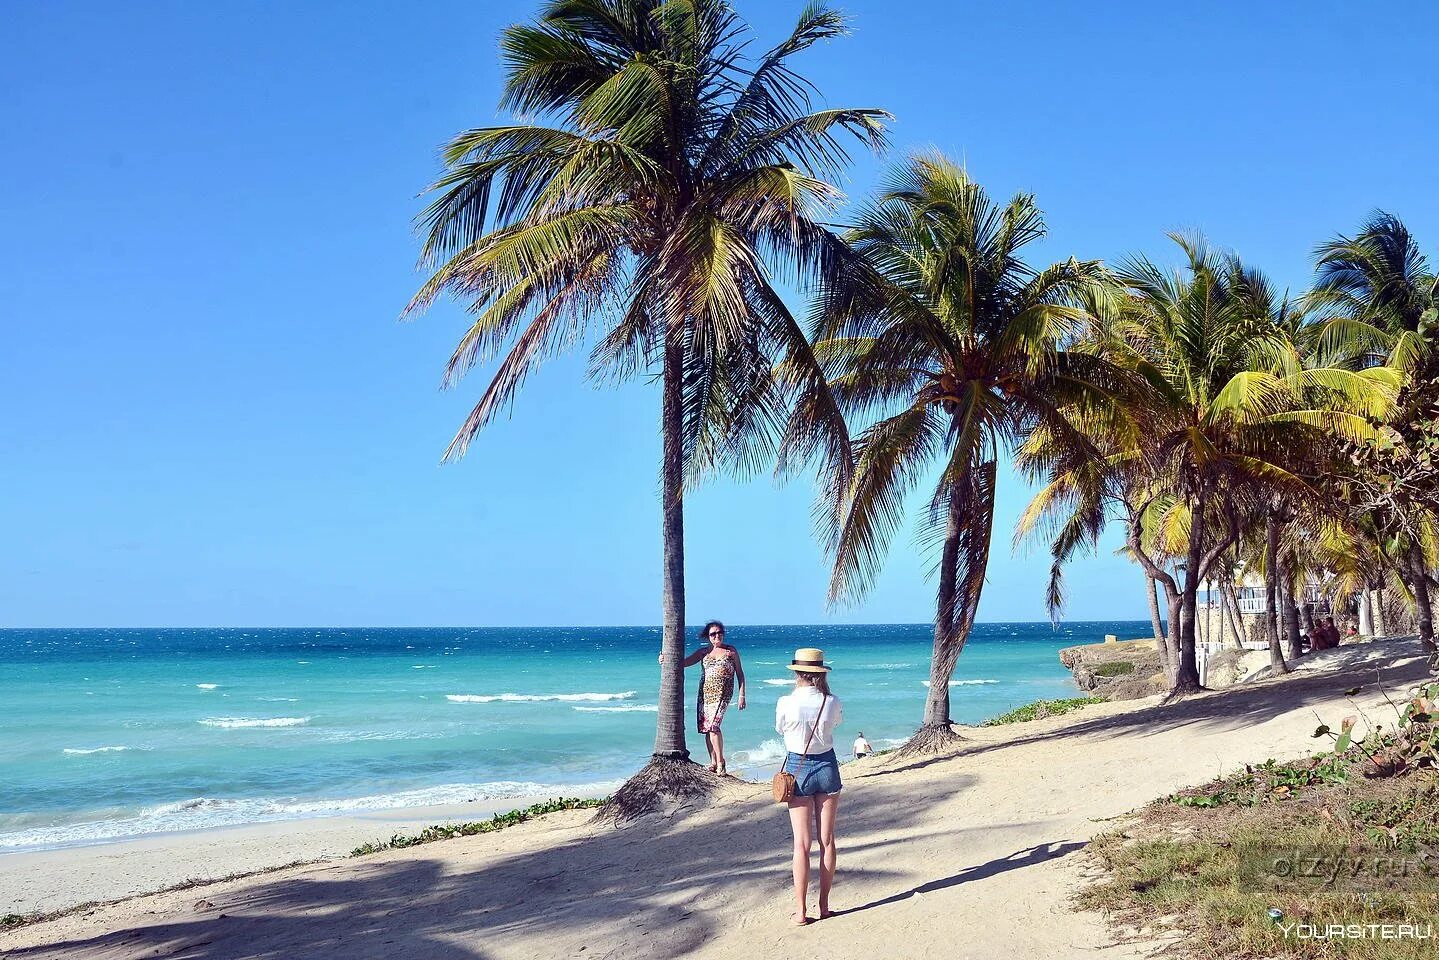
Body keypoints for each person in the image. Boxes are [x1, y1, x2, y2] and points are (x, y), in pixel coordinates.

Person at [776, 647, 843, 925]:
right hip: (827, 765)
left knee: (801, 845)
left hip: (797, 768)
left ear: (797, 674)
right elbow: (835, 724)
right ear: (819, 672)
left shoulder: (785, 702)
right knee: (827, 841)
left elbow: (780, 729)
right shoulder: (832, 701)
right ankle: (824, 906)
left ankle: (801, 912)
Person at [659, 620, 745, 773]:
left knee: (713, 726)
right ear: (708, 636)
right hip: (705, 695)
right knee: (707, 728)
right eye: (713, 634)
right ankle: (713, 762)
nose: (717, 636)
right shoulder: (703, 653)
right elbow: (682, 663)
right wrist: (665, 659)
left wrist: (741, 695)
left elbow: (740, 673)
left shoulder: (730, 651)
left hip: (723, 694)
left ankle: (721, 763)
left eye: (719, 633)